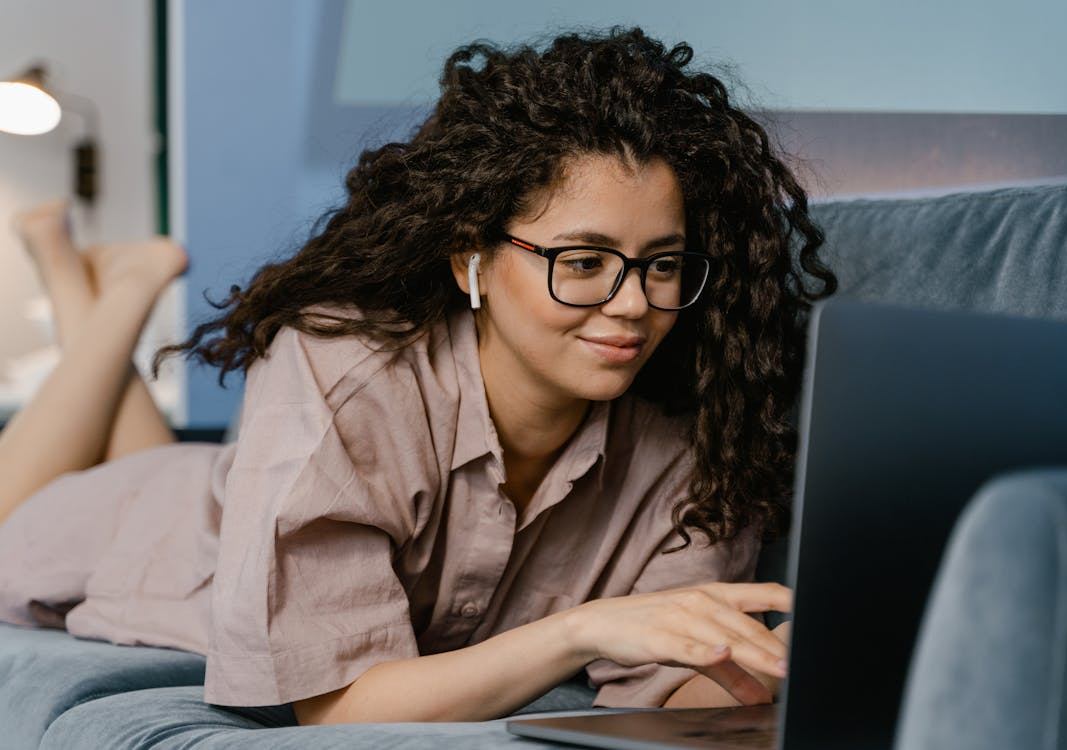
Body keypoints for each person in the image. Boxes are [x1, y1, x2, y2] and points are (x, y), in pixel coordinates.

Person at [0, 28, 835, 724]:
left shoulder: (704, 427)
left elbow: (670, 679)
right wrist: (580, 632)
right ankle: (118, 295)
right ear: (470, 255)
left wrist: (763, 689)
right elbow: (337, 709)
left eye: (661, 265)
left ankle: (93, 285)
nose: (630, 306)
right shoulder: (343, 366)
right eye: (582, 262)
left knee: (171, 469)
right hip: (150, 537)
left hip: (231, 481)